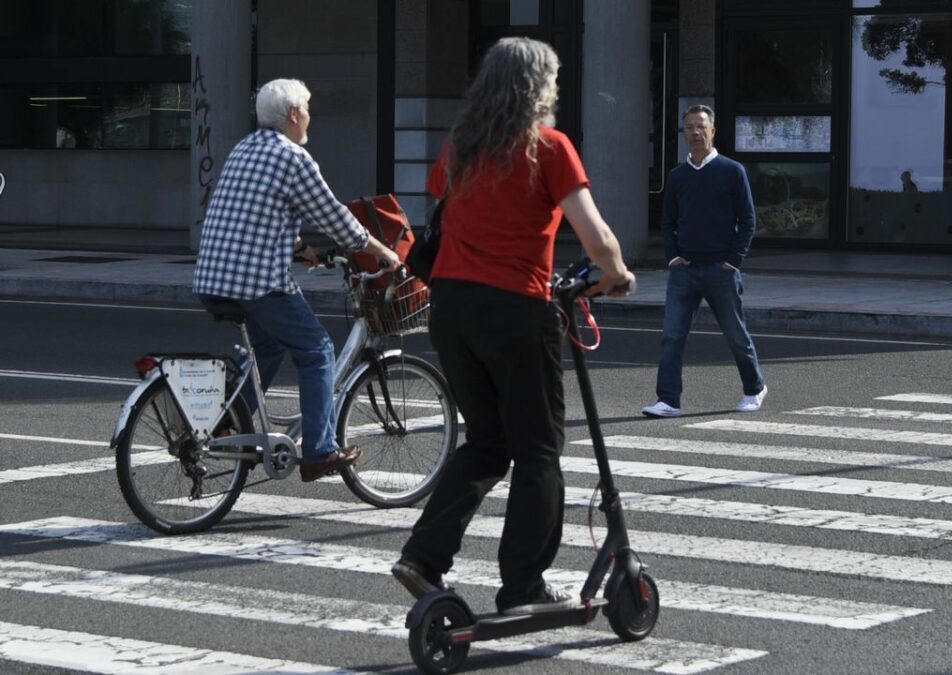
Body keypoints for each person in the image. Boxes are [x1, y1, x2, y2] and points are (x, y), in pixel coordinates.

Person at [391, 37, 635, 616]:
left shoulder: (460, 148)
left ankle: (423, 555)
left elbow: (444, 225)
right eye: (551, 79)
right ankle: (523, 583)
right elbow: (596, 236)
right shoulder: (549, 147)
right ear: (537, 87)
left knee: (487, 440)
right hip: (514, 310)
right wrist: (617, 273)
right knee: (539, 450)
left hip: (450, 308)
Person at [192, 78, 402, 482]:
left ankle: (222, 420)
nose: (309, 117)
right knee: (317, 348)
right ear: (292, 114)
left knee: (269, 346)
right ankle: (320, 449)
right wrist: (383, 252)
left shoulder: (245, 148)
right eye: (307, 109)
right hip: (255, 281)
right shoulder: (293, 158)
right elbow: (337, 219)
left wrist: (300, 247)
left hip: (214, 277)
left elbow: (259, 211)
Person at [642, 104, 766, 418]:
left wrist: (734, 260)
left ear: (712, 130)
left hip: (721, 270)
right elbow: (668, 222)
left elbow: (748, 220)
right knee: (672, 336)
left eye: (701, 126)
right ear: (684, 134)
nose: (695, 133)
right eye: (689, 128)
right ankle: (668, 400)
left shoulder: (731, 170)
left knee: (736, 335)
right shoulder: (678, 175)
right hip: (684, 271)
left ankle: (754, 388)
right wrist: (672, 256)